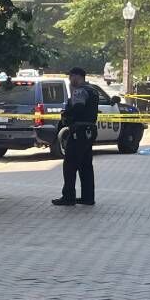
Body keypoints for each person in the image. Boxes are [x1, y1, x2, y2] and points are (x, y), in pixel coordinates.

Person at [52, 67, 98, 207]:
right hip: (89, 131)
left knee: (70, 165)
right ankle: (87, 197)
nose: (70, 80)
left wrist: (66, 114)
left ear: (77, 76)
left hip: (78, 131)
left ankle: (68, 197)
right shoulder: (93, 90)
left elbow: (78, 108)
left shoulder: (80, 91)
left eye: (71, 77)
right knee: (86, 166)